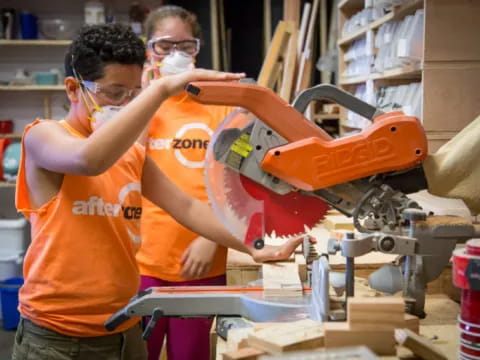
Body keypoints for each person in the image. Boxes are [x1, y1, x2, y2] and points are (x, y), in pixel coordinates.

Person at [12, 23, 307, 360]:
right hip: (58, 337)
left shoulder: (132, 155)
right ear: (73, 89)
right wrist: (161, 90)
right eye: (113, 92)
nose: (124, 104)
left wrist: (256, 245)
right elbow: (88, 159)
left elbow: (187, 207)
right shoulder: (42, 137)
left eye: (133, 93)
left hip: (124, 327)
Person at [136, 6, 235, 360]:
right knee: (135, 353)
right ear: (148, 49)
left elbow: (237, 182)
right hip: (142, 259)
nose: (176, 55)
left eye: (185, 45)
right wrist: (146, 96)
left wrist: (211, 237)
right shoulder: (137, 104)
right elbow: (123, 164)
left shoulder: (222, 106)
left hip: (202, 260)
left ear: (198, 49)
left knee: (190, 355)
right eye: (165, 45)